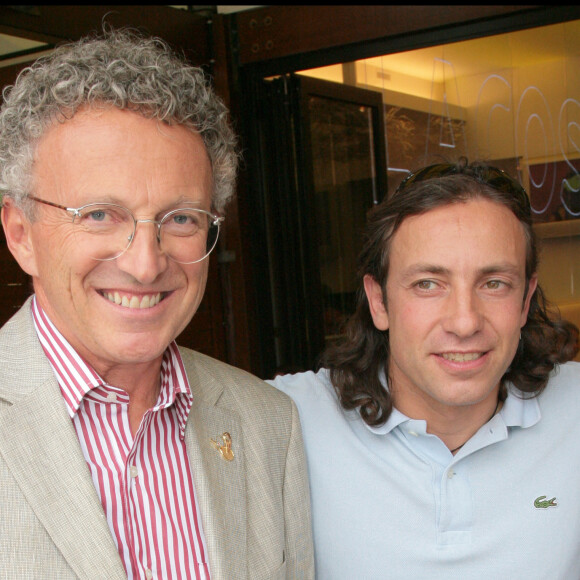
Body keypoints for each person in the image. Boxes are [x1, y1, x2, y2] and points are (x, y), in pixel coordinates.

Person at [0, 30, 313, 579]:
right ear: (21, 232)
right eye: (99, 214)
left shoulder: (266, 424)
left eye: (181, 219)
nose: (145, 263)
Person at [270, 159, 580, 579]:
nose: (465, 321)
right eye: (428, 284)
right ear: (379, 302)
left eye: (494, 283)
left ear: (525, 301)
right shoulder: (286, 419)